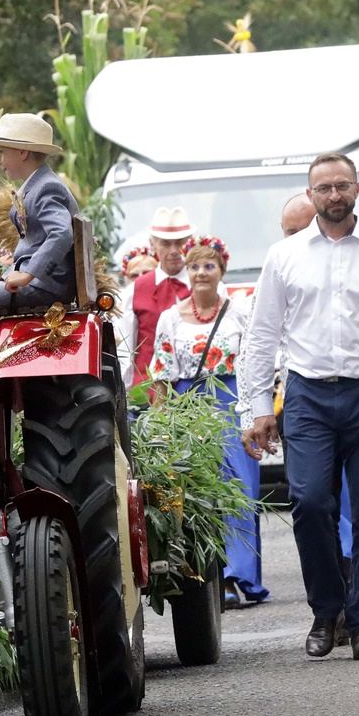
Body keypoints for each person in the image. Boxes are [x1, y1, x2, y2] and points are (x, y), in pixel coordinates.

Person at [238, 154, 359, 662]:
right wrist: (257, 407)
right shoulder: (284, 257)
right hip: (307, 394)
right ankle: (327, 611)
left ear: (356, 191)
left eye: (341, 186)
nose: (333, 195)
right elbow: (261, 335)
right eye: (323, 188)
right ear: (311, 194)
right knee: (308, 502)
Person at [148, 237, 267, 605]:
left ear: (221, 272)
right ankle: (207, 577)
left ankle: (237, 576)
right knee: (200, 493)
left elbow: (253, 364)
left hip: (232, 406)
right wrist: (164, 422)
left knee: (240, 492)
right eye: (195, 266)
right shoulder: (170, 317)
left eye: (209, 266)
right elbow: (162, 373)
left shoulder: (240, 314)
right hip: (190, 408)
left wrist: (255, 411)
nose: (201, 273)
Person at [0, 114, 76, 399]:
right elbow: (38, 238)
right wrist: (17, 263)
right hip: (34, 279)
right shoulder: (36, 184)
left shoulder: (47, 187)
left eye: (2, 152)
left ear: (22, 152)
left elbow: (61, 234)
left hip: (45, 285)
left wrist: (29, 272)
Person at [117, 207, 195, 387]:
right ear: (153, 246)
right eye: (166, 244)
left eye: (180, 243)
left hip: (195, 391)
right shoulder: (135, 289)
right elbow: (126, 347)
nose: (174, 250)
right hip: (147, 391)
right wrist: (126, 394)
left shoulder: (203, 285)